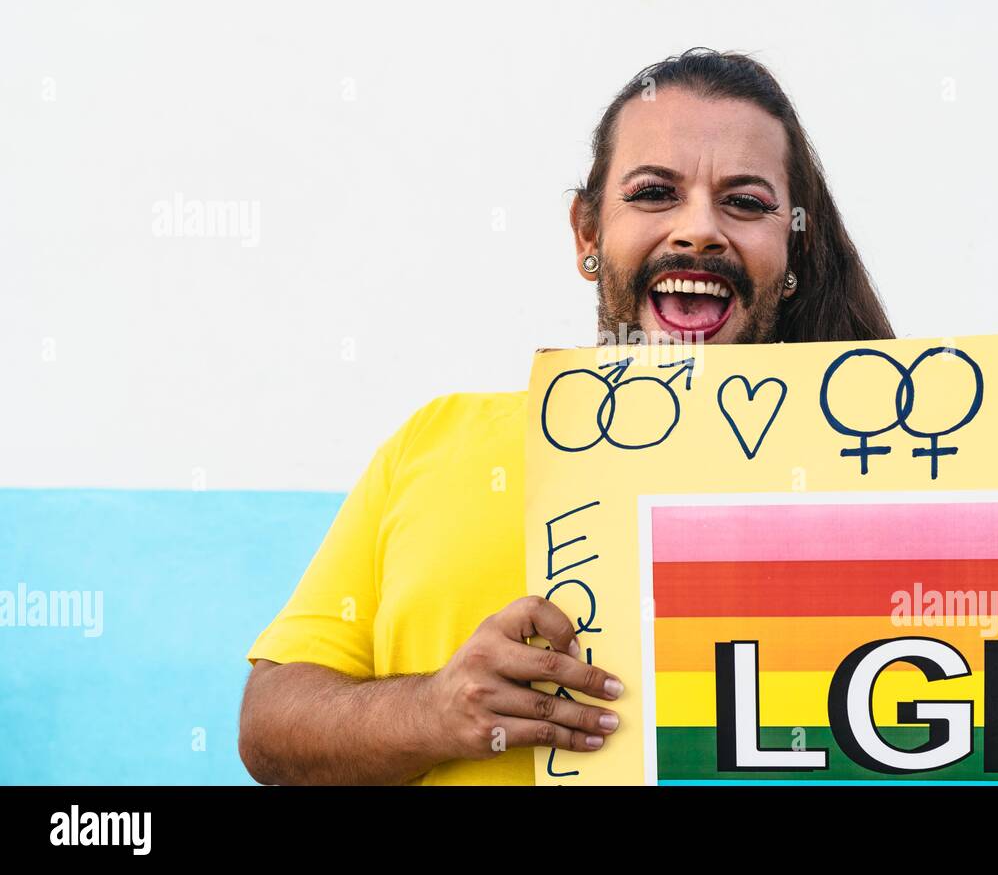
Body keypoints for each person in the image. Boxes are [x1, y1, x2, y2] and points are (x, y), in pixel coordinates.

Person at [237, 47, 894, 785]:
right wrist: (433, 712)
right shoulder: (437, 442)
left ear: (793, 245)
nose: (700, 230)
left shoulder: (875, 477)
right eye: (654, 193)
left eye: (745, 202)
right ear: (587, 233)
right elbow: (269, 725)